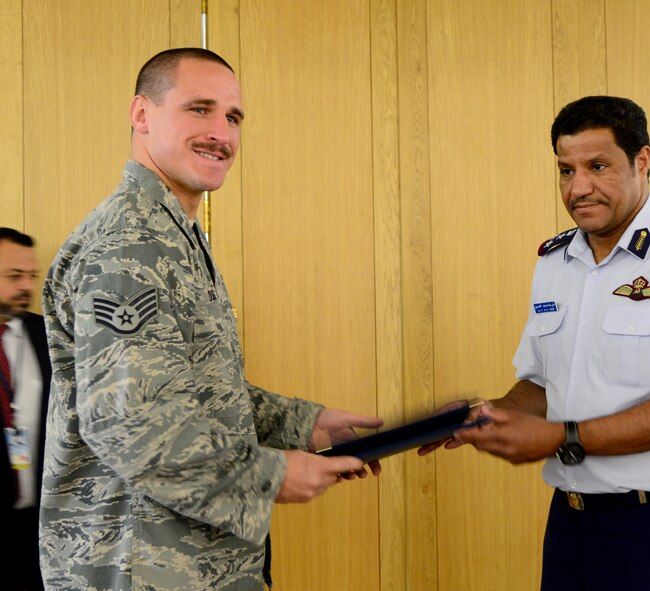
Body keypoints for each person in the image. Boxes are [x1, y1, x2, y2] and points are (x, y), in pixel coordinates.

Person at [40, 47, 381, 590]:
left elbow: (193, 392)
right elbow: (133, 426)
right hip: (143, 567)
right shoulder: (130, 244)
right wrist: (272, 474)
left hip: (194, 565)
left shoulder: (173, 234)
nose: (221, 133)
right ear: (141, 114)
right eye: (199, 109)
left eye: (233, 117)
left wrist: (304, 424)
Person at [422, 96, 650, 590]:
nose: (578, 188)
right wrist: (489, 414)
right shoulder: (555, 262)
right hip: (573, 525)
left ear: (641, 161)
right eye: (565, 169)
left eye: (598, 166)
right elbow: (540, 384)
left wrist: (563, 438)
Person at [0, 228, 50, 591]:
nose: (26, 287)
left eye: (31, 275)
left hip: (40, 528)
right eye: (14, 276)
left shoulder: (47, 336)